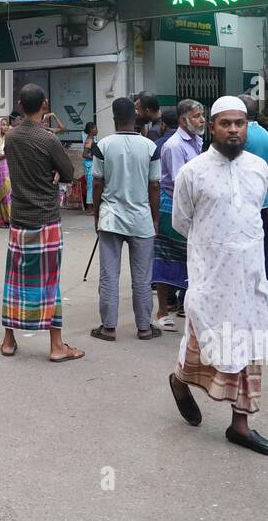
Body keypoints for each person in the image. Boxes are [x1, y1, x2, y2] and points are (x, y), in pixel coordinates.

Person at [167, 96, 268, 456]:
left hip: (249, 277)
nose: (233, 129)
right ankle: (180, 380)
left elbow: (254, 215)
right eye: (225, 123)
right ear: (211, 127)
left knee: (247, 349)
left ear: (247, 126)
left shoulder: (259, 169)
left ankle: (240, 425)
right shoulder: (193, 172)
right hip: (210, 278)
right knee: (203, 344)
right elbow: (181, 222)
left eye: (239, 123)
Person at [0, 84, 83, 362]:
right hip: (46, 218)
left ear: (20, 106)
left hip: (19, 217)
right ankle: (57, 345)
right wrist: (55, 174)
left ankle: (9, 339)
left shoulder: (10, 137)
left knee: (15, 279)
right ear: (45, 105)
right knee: (49, 282)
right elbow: (69, 172)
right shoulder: (48, 140)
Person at [91, 98, 162, 342]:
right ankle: (144, 327)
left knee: (109, 274)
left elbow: (98, 182)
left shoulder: (103, 145)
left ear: (113, 118)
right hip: (141, 219)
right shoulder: (150, 147)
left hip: (110, 218)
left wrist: (96, 214)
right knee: (142, 277)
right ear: (135, 118)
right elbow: (155, 186)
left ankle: (108, 327)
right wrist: (154, 218)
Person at [155, 99, 204, 330]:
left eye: (202, 115)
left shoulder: (197, 140)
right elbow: (178, 182)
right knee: (167, 258)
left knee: (191, 257)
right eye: (196, 116)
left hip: (193, 207)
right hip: (171, 205)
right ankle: (162, 310)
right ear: (184, 119)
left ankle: (185, 305)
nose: (202, 120)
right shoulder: (174, 146)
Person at [240, 95, 268, 309]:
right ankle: (267, 304)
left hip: (243, 203)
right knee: (263, 253)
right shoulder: (266, 135)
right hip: (262, 202)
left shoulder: (241, 135)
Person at [80, 121, 98, 214]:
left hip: (90, 164)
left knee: (91, 186)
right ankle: (90, 208)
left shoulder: (92, 139)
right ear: (91, 130)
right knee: (91, 187)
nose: (97, 130)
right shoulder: (89, 140)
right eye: (95, 128)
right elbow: (84, 154)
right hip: (89, 165)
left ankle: (91, 207)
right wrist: (95, 158)